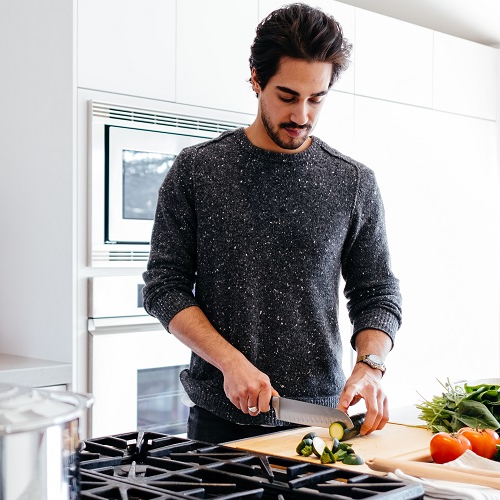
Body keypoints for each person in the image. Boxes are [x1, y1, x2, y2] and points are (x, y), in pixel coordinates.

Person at [141, 3, 402, 444]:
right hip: (219, 423)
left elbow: (377, 291)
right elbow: (163, 287)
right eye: (287, 96)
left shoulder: (353, 182)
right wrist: (229, 362)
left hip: (320, 419)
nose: (302, 115)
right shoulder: (198, 170)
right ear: (256, 80)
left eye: (316, 98)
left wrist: (370, 365)